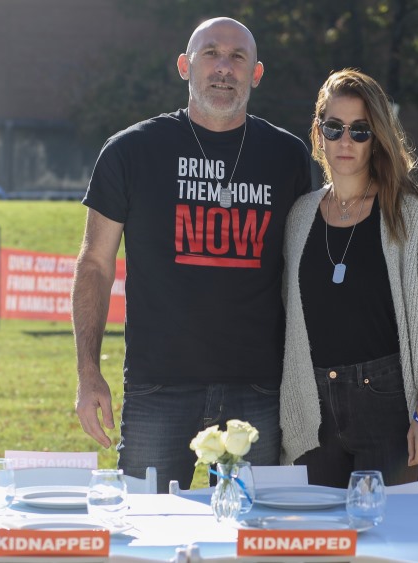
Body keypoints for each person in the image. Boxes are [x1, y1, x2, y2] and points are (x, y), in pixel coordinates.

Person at [72, 17, 312, 493]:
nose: (224, 68)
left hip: (259, 387)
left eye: (237, 57)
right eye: (211, 54)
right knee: (147, 530)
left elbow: (306, 270)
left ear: (256, 73)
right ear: (185, 66)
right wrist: (87, 371)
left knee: (256, 533)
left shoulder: (288, 157)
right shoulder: (131, 151)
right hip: (157, 385)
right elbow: (95, 265)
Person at [279, 69, 418, 487]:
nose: (345, 141)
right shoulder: (299, 218)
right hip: (314, 409)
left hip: (389, 408)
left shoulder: (409, 214)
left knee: (391, 543)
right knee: (319, 542)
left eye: (360, 130)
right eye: (335, 127)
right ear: (319, 132)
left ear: (376, 136)